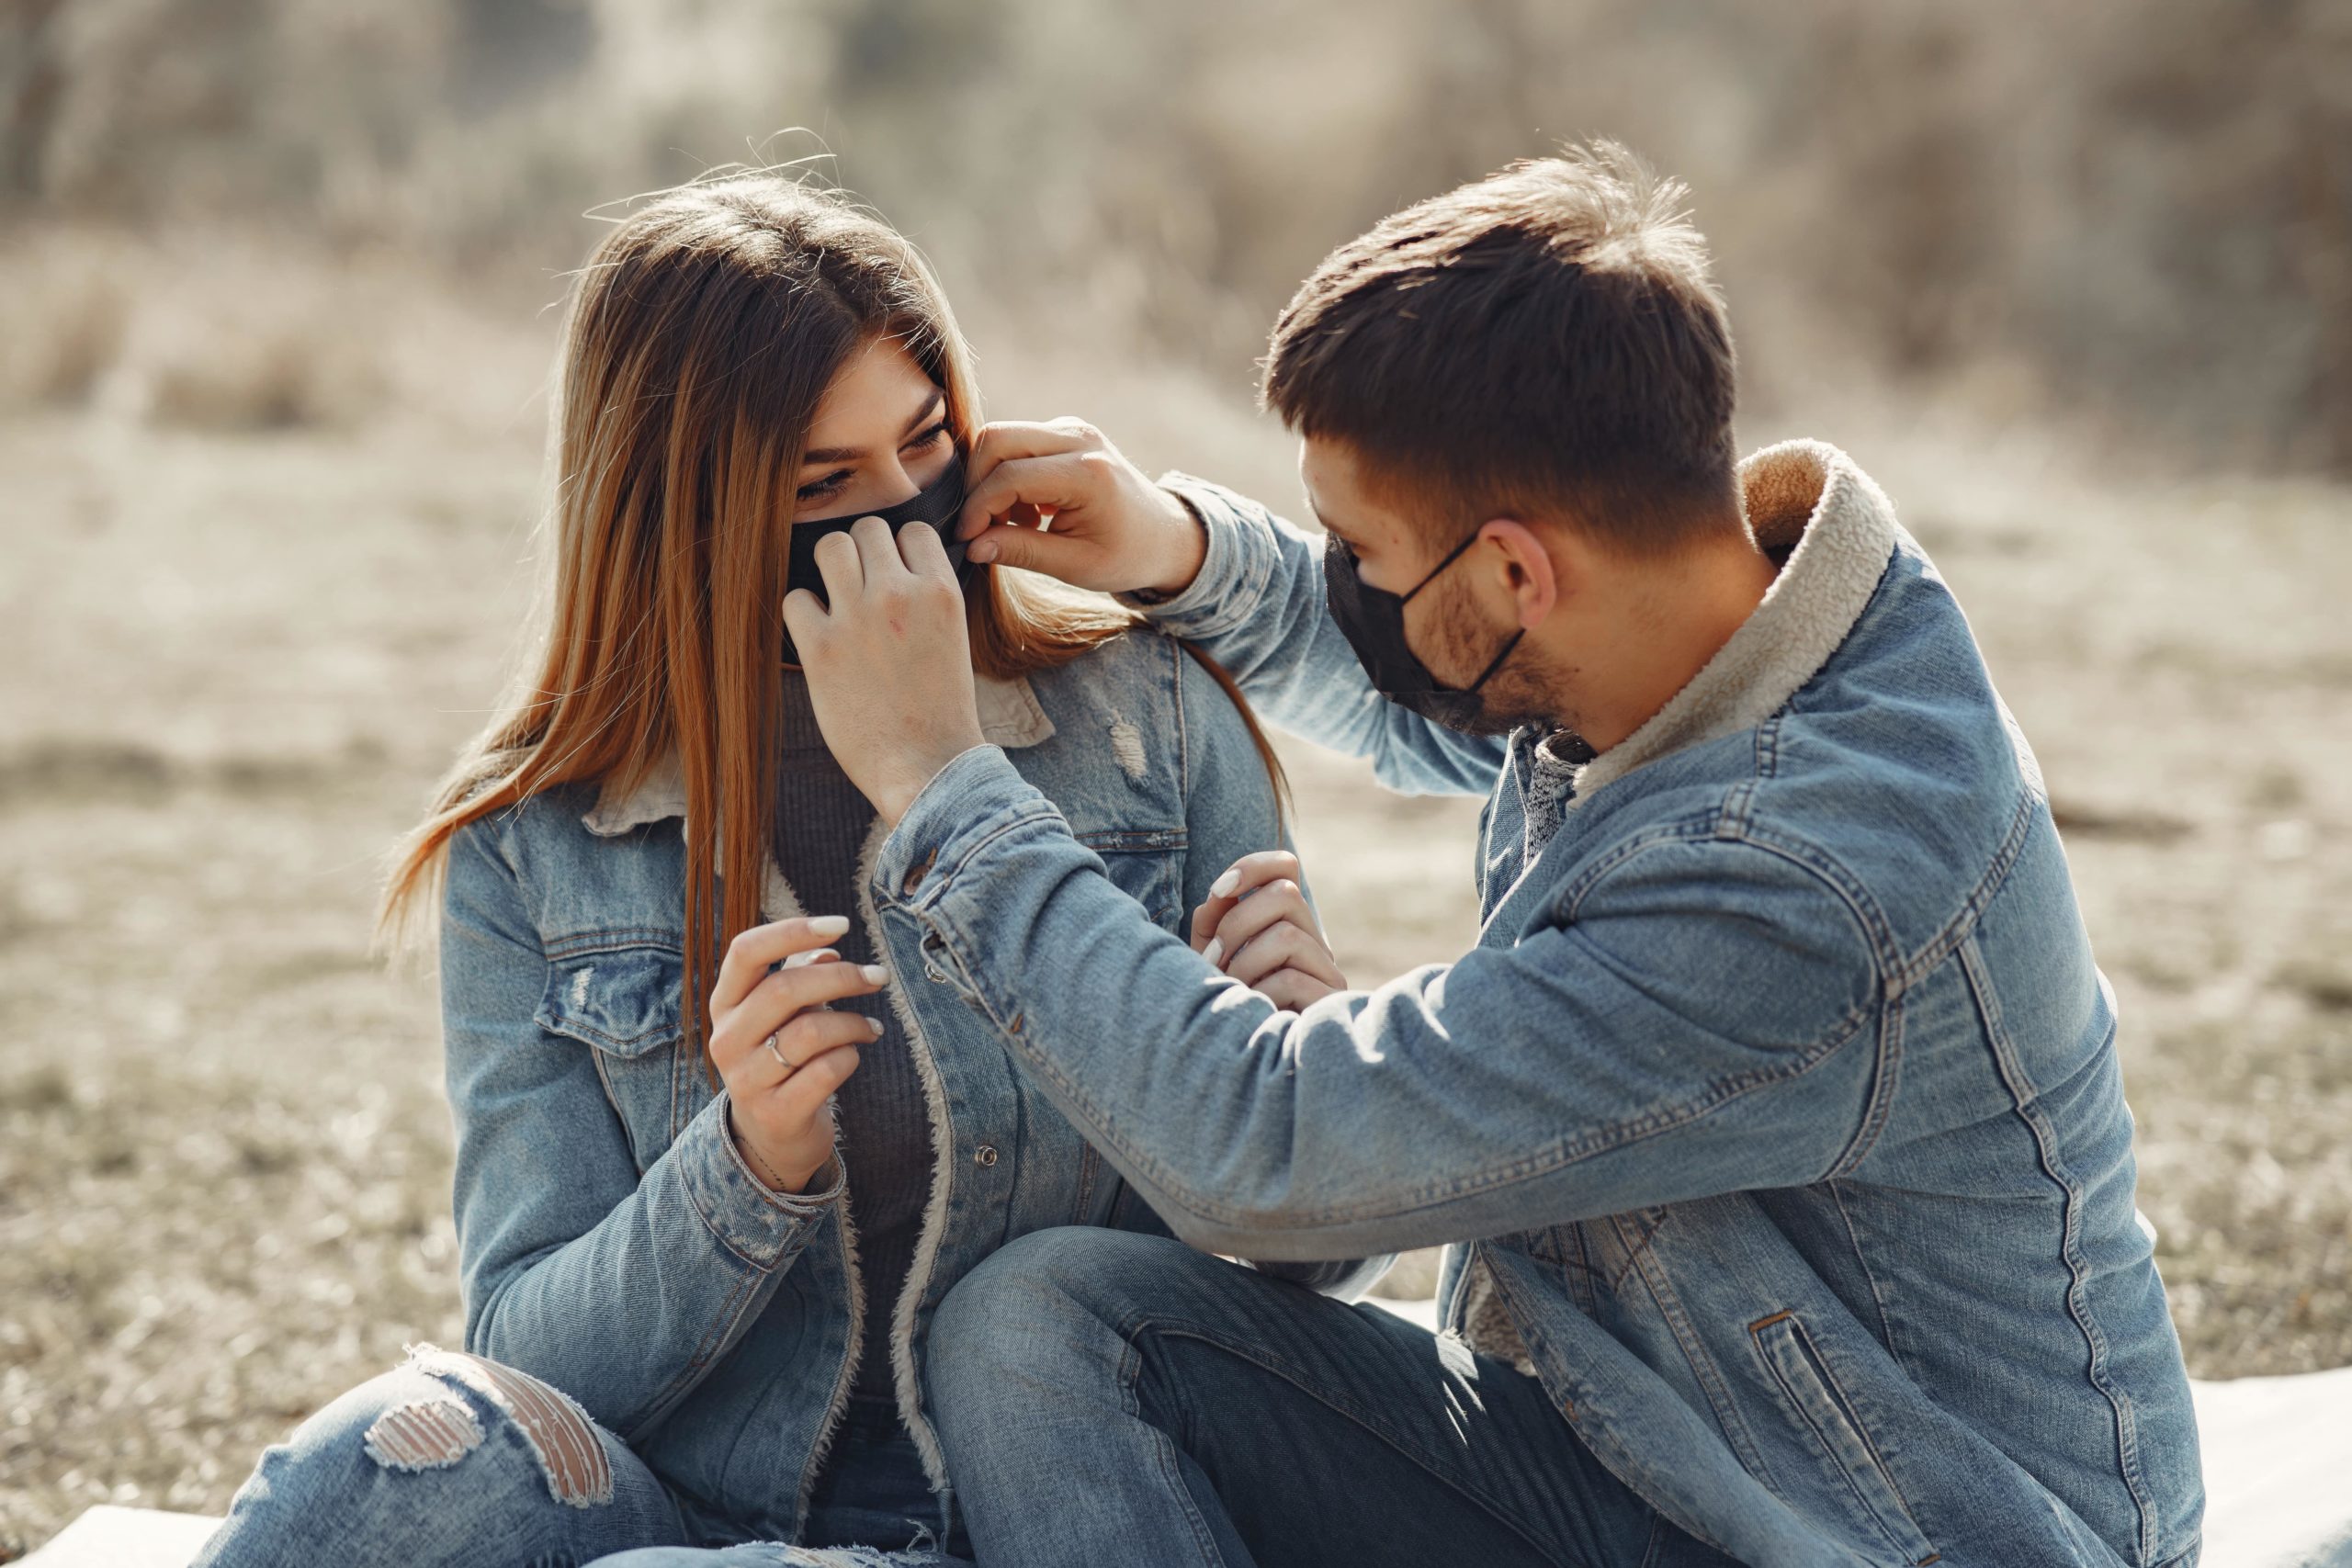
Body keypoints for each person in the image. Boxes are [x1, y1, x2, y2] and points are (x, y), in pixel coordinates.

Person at [781, 143, 2205, 1567]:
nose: (1341, 584)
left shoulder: (1803, 882)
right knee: (1046, 1327)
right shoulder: (1723, 622)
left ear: (1518, 574)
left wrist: (937, 778)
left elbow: (1264, 1151)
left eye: (1358, 554)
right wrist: (1175, 549)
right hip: (1660, 1444)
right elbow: (1444, 707)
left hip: (1895, 1533)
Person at [191, 175, 1370, 1568]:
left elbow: (1309, 1270)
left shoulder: (1150, 721)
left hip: (1056, 1513)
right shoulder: (533, 842)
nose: (901, 518)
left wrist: (1308, 1075)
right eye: (822, 486)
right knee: (383, 1468)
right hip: (697, 1511)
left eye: (927, 444)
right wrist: (746, 1165)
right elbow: (532, 1357)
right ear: (676, 511)